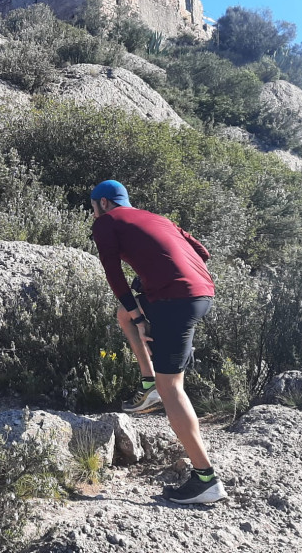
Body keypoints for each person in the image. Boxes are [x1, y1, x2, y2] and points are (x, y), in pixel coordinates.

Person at [90, 179, 226, 505]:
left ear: (103, 203)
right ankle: (148, 380)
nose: (93, 213)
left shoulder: (106, 222)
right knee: (124, 314)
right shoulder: (157, 218)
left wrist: (141, 316)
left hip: (175, 301)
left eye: (93, 207)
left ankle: (206, 479)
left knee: (172, 389)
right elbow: (202, 252)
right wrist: (140, 295)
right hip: (200, 293)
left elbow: (112, 272)